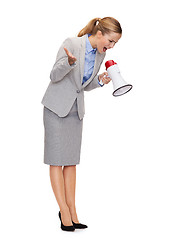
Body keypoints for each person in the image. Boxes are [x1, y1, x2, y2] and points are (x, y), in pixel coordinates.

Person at [41, 17, 122, 231]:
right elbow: (54, 75)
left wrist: (100, 81)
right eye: (111, 41)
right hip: (57, 108)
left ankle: (73, 211)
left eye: (115, 43)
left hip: (76, 111)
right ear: (99, 34)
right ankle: (64, 211)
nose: (111, 46)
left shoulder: (100, 54)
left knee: (70, 162)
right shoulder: (72, 43)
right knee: (56, 161)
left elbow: (82, 86)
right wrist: (68, 63)